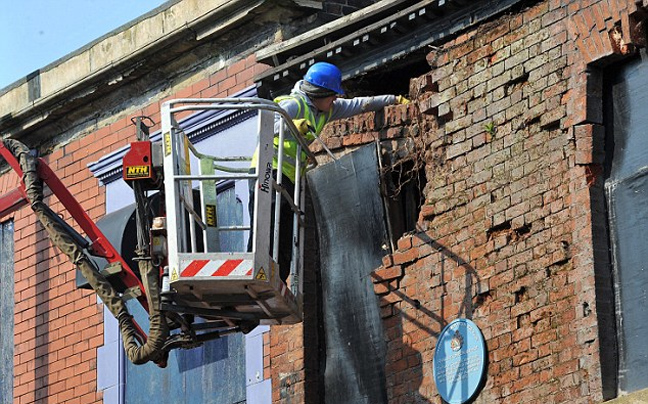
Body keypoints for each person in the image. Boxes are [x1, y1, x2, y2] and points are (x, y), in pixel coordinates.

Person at [249, 61, 409, 281]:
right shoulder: (294, 104)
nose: (335, 99)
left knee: (284, 234)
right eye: (332, 95)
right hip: (269, 169)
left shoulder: (327, 110)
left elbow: (359, 105)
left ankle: (277, 279)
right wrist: (292, 125)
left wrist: (393, 99)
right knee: (266, 226)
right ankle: (254, 273)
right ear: (319, 92)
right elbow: (266, 125)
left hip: (289, 177)